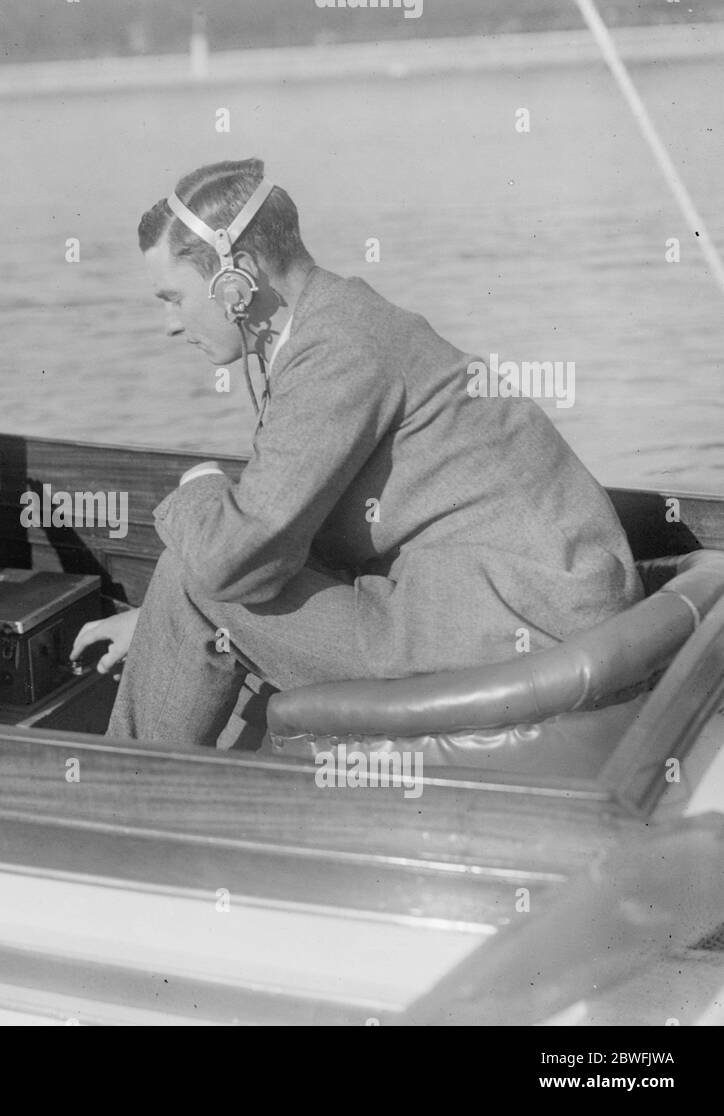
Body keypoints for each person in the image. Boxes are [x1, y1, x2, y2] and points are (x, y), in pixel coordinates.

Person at [70, 157, 642, 748]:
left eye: (173, 297)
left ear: (235, 279)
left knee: (197, 571)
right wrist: (156, 624)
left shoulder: (336, 351)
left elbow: (233, 562)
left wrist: (197, 488)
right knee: (203, 576)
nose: (168, 325)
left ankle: (118, 798)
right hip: (531, 601)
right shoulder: (338, 319)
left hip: (524, 623)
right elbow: (289, 531)